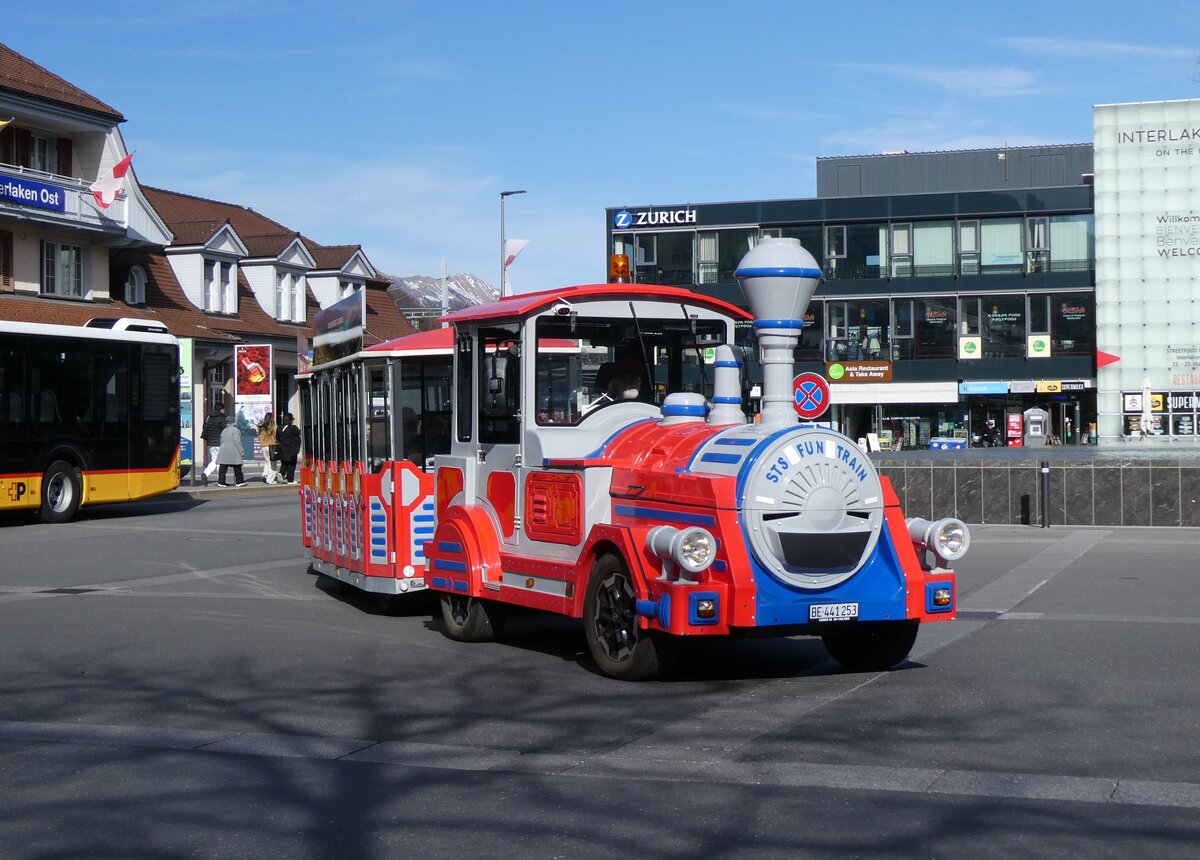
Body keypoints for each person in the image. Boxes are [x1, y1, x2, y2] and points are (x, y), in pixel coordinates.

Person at [215, 416, 246, 487]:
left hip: (223, 449)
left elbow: (221, 440)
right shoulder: (236, 430)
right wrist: (241, 451)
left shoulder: (224, 430)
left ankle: (221, 482)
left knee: (223, 466)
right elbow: (237, 441)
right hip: (233, 449)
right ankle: (239, 482)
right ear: (234, 422)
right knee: (237, 466)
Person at [200, 403, 226, 486]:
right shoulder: (222, 418)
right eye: (223, 409)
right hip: (220, 442)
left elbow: (204, 428)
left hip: (210, 442)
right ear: (221, 409)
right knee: (220, 461)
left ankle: (209, 475)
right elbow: (225, 430)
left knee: (215, 460)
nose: (224, 410)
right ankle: (219, 479)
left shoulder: (208, 417)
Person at [276, 412, 302, 484]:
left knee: (284, 463)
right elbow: (299, 432)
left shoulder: (279, 427)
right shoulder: (293, 428)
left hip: (282, 449)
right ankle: (290, 479)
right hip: (292, 449)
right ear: (290, 420)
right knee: (292, 464)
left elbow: (277, 437)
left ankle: (281, 473)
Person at [257, 411, 280, 484]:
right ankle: (270, 479)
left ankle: (265, 474)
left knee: (267, 461)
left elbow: (259, 437)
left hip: (263, 446)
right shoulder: (274, 427)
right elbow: (276, 437)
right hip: (271, 446)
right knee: (273, 464)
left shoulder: (261, 427)